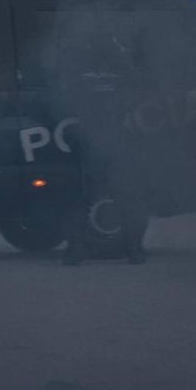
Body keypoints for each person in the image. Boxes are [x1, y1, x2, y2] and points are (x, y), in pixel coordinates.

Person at [63, 26, 150, 265]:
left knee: (112, 196)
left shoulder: (100, 66)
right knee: (109, 196)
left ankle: (127, 248)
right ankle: (130, 248)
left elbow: (139, 91)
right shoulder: (113, 65)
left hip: (110, 141)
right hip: (98, 141)